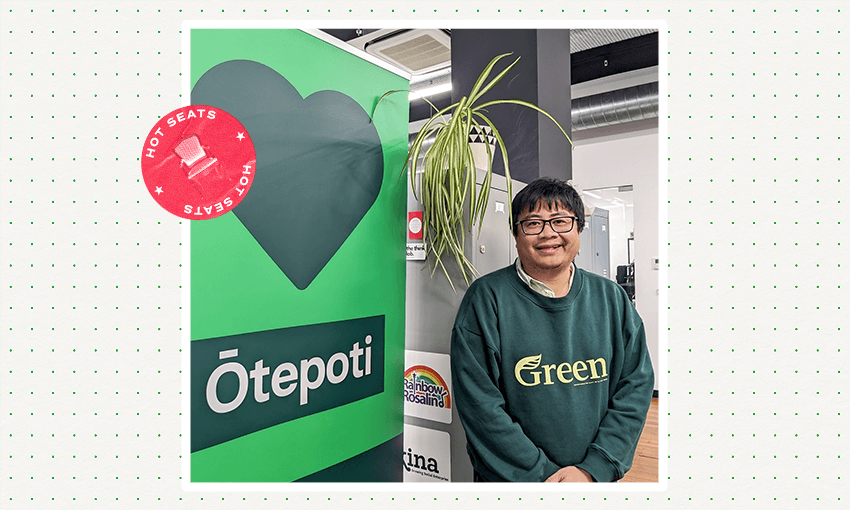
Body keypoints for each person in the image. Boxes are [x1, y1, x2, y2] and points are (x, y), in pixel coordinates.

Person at [450, 177, 654, 483]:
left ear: (579, 229)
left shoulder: (611, 298)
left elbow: (635, 386)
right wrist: (543, 478)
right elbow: (480, 405)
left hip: (593, 480)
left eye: (561, 221)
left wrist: (593, 468)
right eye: (533, 223)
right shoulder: (486, 299)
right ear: (516, 233)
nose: (549, 233)